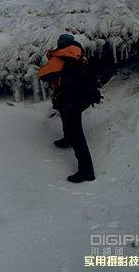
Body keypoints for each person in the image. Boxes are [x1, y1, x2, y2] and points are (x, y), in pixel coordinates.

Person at [38, 34, 95, 183]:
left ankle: (86, 171)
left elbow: (43, 75)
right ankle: (67, 139)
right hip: (82, 97)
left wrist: (47, 63)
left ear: (60, 44)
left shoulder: (60, 57)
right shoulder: (80, 54)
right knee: (68, 119)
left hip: (69, 99)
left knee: (77, 134)